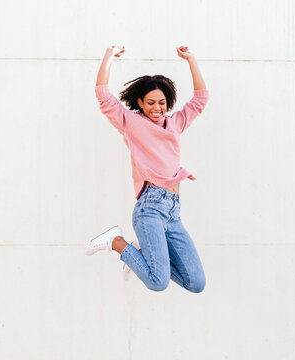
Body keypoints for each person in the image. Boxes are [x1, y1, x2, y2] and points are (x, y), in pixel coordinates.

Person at [85, 45, 208, 293]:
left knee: (196, 283)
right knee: (157, 281)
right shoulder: (131, 123)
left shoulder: (175, 123)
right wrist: (109, 56)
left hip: (173, 211)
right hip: (150, 208)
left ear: (168, 103)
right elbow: (102, 93)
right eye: (150, 102)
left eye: (161, 102)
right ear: (140, 102)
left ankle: (139, 256)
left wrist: (191, 59)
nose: (156, 107)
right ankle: (116, 243)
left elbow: (200, 99)